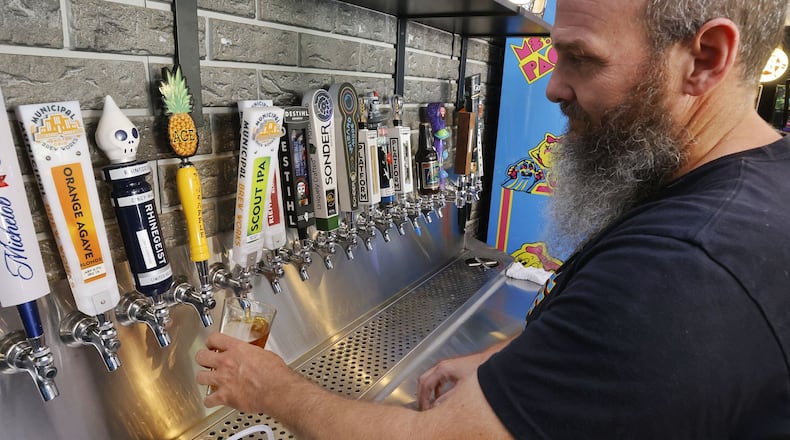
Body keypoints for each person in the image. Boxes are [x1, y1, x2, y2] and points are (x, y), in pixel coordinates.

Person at [196, 0, 790, 437]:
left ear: (705, 58)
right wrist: (511, 369)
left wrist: (269, 388)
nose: (554, 86)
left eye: (581, 59)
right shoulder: (754, 189)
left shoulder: (687, 267)